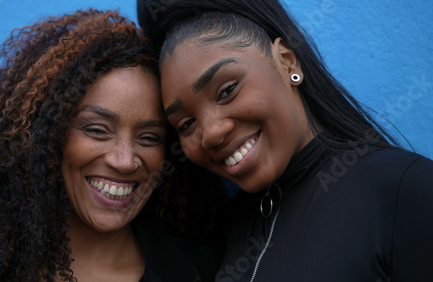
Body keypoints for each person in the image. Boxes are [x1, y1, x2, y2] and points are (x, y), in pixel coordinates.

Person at [137, 0, 433, 281]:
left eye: (227, 90)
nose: (211, 133)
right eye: (186, 124)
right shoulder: (228, 229)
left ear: (287, 62)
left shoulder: (403, 189)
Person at [0, 9, 217, 281]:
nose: (124, 160)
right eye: (97, 130)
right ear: (46, 135)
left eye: (149, 138)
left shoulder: (204, 272)